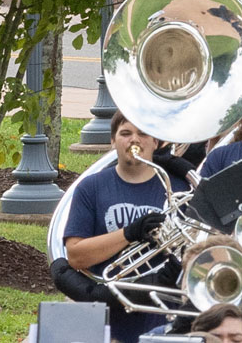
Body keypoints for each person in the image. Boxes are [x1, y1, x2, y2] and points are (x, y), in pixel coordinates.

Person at [62, 112, 190, 343]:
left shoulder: (178, 188)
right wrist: (128, 233)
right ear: (113, 141)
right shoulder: (91, 187)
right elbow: (75, 256)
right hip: (107, 308)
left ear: (156, 142)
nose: (134, 140)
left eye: (143, 133)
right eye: (125, 133)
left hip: (164, 306)